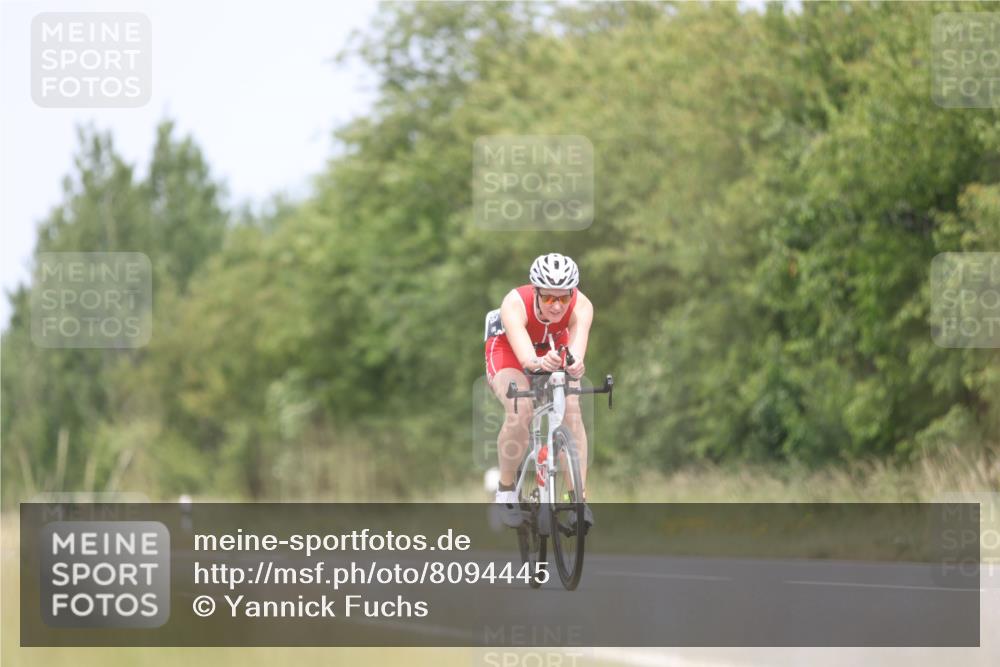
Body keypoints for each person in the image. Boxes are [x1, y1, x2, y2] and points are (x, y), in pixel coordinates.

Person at [484, 253, 594, 530]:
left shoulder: (582, 306)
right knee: (520, 409)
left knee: (572, 408)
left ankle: (577, 500)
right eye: (548, 298)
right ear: (536, 292)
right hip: (509, 350)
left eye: (563, 298)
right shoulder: (514, 303)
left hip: (555, 346)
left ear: (572, 294)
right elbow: (526, 359)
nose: (557, 306)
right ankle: (506, 492)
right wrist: (537, 363)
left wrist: (575, 366)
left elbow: (576, 355)